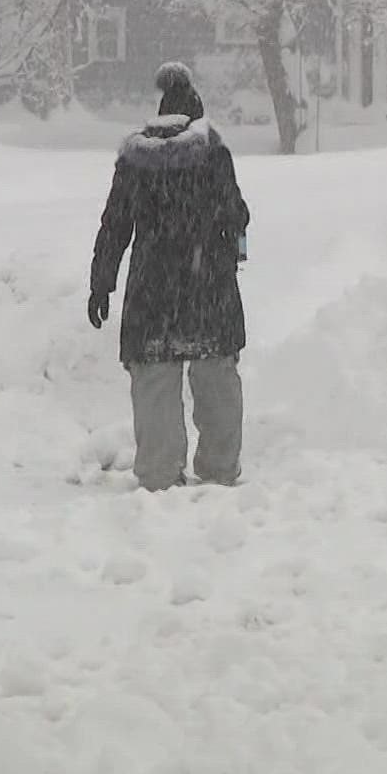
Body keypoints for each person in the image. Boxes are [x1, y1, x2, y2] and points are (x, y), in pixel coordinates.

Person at [90, 62, 250, 491]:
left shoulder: (135, 159)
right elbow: (236, 214)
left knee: (156, 381)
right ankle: (218, 470)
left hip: (152, 288)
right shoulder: (212, 152)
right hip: (207, 284)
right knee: (215, 377)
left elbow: (115, 225)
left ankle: (159, 474)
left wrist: (101, 282)